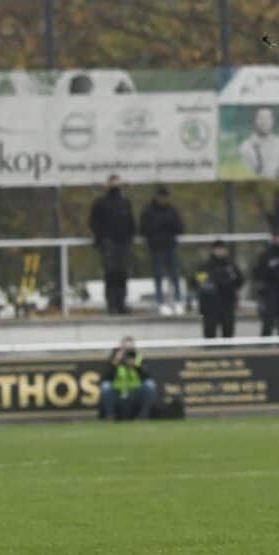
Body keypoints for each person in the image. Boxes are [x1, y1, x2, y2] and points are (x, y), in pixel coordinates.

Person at [88, 175, 136, 315]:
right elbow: (93, 222)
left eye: (116, 183)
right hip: (108, 243)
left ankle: (121, 303)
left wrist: (129, 237)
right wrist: (101, 237)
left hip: (123, 243)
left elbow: (131, 222)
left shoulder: (125, 202)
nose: (115, 185)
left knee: (122, 274)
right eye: (112, 183)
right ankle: (111, 304)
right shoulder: (101, 203)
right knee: (111, 274)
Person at [141, 185, 186, 315]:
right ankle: (160, 301)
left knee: (174, 274)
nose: (163, 200)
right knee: (158, 274)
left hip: (170, 246)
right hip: (156, 247)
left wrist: (170, 225)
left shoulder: (172, 210)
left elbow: (180, 227)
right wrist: (158, 226)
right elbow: (144, 229)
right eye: (161, 197)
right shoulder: (149, 211)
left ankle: (178, 300)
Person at [193, 241, 245, 339]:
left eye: (222, 249)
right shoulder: (205, 267)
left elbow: (240, 281)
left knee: (228, 334)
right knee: (209, 335)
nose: (220, 251)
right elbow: (198, 282)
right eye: (218, 249)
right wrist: (210, 285)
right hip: (210, 306)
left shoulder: (231, 266)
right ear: (213, 250)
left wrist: (227, 283)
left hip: (227, 305)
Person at [98, 337, 156, 421]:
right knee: (105, 386)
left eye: (129, 349)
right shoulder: (114, 358)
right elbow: (105, 377)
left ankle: (143, 415)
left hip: (135, 391)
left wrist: (136, 366)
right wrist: (116, 361)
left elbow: (148, 376)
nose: (127, 353)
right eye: (125, 349)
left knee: (150, 385)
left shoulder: (138, 358)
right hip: (117, 391)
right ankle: (110, 415)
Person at [239, 106, 279, 178]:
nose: (264, 122)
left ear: (273, 121)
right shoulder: (245, 147)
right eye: (261, 118)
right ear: (254, 121)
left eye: (268, 118)